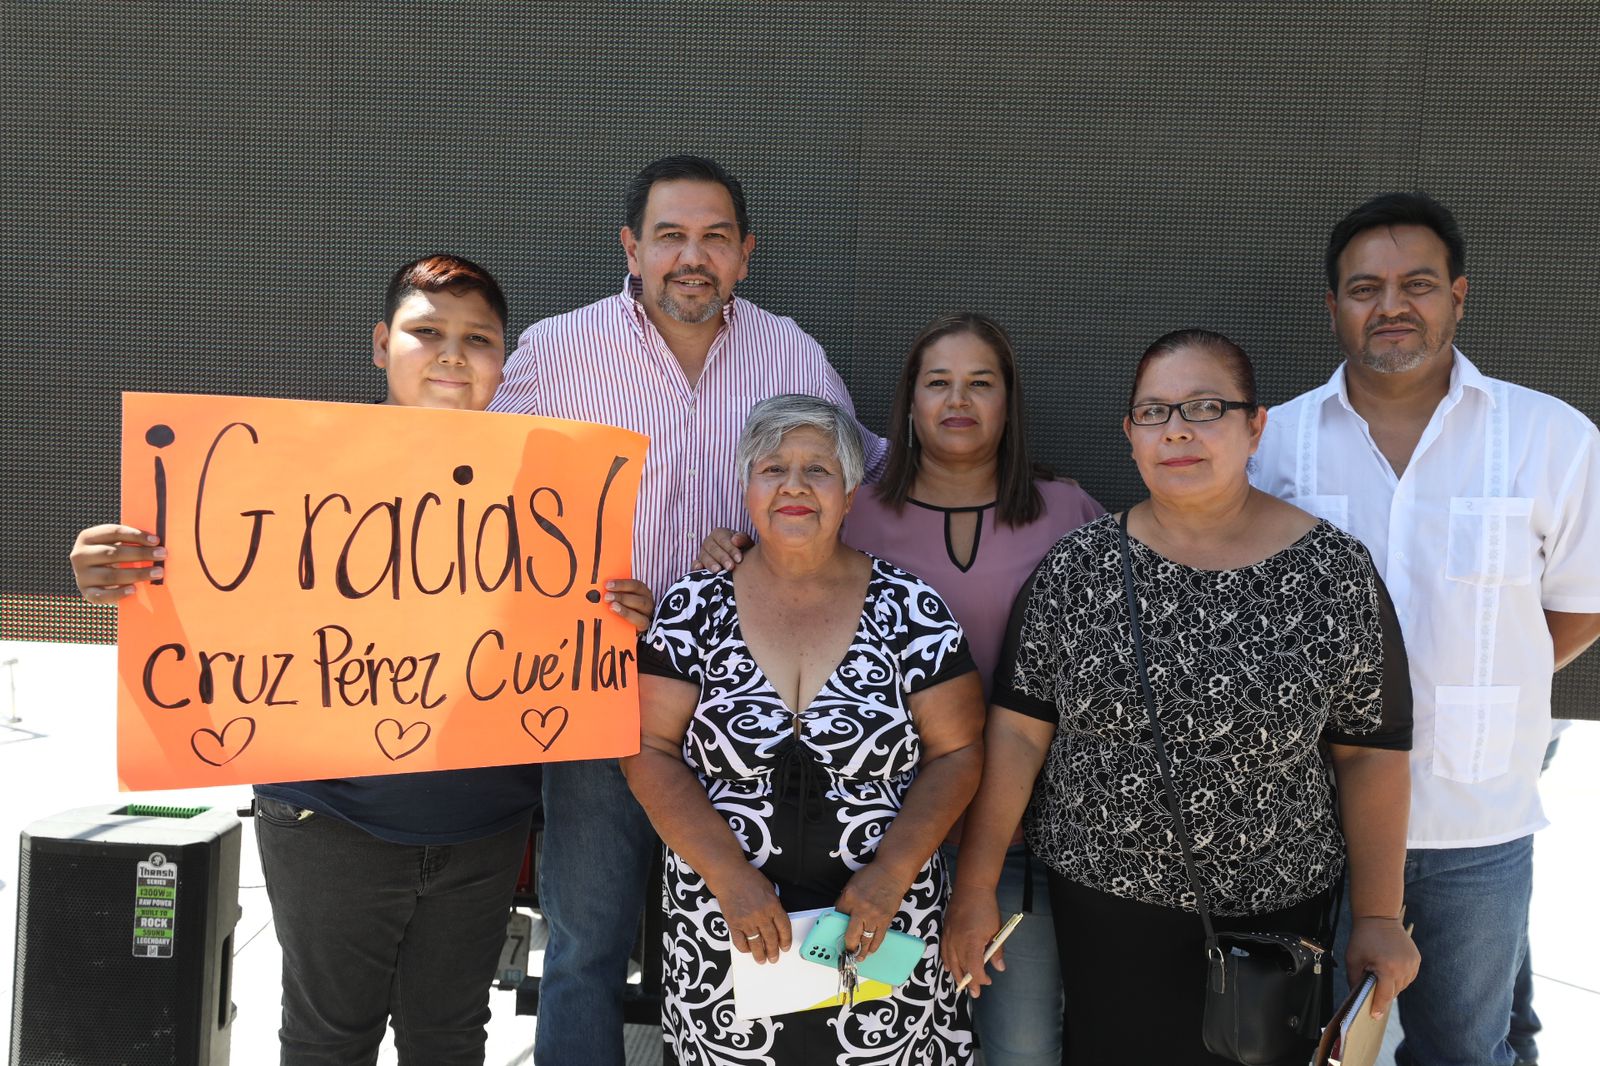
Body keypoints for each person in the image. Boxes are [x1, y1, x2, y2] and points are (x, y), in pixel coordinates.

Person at [68, 255, 654, 1066]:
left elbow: (561, 619)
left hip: (483, 820)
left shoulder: (550, 487)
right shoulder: (286, 471)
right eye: (427, 333)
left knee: (450, 1038)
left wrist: (619, 614)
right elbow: (203, 573)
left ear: (504, 359)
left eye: (478, 338)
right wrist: (116, 570)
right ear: (382, 345)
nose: (452, 354)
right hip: (326, 820)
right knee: (327, 1042)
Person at [485, 155, 886, 1066]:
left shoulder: (794, 355)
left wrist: (767, 547)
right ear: (631, 249)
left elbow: (846, 486)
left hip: (747, 711)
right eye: (670, 236)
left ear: (747, 254)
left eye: (714, 238)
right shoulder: (553, 353)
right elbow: (460, 490)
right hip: (598, 695)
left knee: (731, 944)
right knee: (585, 948)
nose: (691, 257)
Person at [946, 329, 1420, 1066]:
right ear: (1129, 435)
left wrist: (1381, 915)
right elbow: (1017, 734)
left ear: (1255, 426)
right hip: (1102, 914)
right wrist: (976, 886)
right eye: (1154, 412)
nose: (1177, 431)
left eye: (1205, 408)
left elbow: (1371, 753)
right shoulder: (1080, 568)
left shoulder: (1335, 574)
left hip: (1274, 923)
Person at [1250, 191, 1600, 1066]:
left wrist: (1495, 686)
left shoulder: (1549, 438)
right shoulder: (1273, 445)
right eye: (1365, 288)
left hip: (1474, 825)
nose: (1392, 304)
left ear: (1458, 295)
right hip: (1311, 820)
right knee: (1307, 1046)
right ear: (1333, 309)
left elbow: (1582, 601)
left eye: (1417, 283)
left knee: (1461, 1051)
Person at [700, 312, 1101, 1065]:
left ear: (1009, 402)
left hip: (1015, 837)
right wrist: (728, 545)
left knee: (1019, 1044)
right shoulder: (852, 507)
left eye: (981, 384)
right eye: (938, 383)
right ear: (908, 405)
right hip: (873, 847)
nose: (959, 400)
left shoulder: (1067, 513)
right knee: (875, 1032)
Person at [625, 394, 983, 1064]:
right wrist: (733, 880)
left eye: (818, 470)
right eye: (772, 469)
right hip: (726, 927)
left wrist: (890, 873)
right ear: (746, 488)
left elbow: (959, 751)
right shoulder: (691, 607)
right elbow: (649, 749)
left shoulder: (911, 608)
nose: (794, 484)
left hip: (879, 925)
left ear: (849, 492)